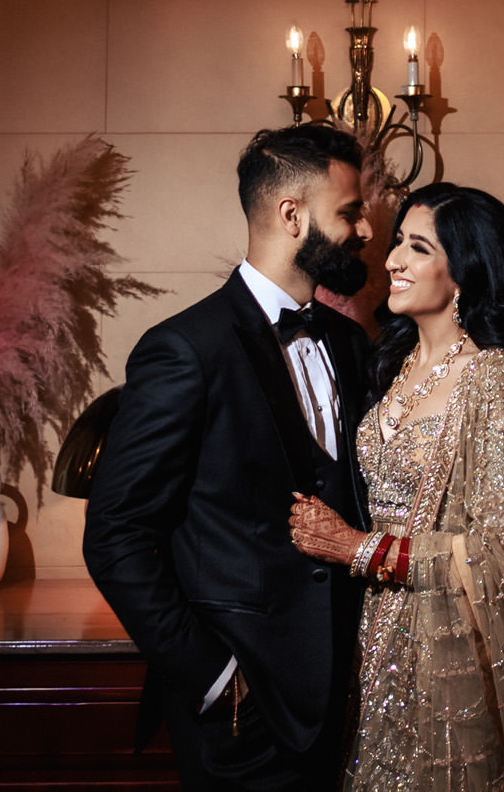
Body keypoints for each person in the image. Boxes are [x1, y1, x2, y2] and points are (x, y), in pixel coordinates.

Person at [86, 122, 377, 791]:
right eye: (351, 211)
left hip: (354, 701)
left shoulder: (349, 340)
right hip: (244, 714)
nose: (363, 230)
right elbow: (114, 533)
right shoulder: (185, 349)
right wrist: (214, 675)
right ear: (292, 214)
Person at [289, 182, 504, 792]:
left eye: (418, 247)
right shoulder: (393, 366)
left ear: (465, 273)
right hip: (377, 646)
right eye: (398, 242)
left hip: (453, 657)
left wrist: (356, 548)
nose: (394, 260)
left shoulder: (494, 379)